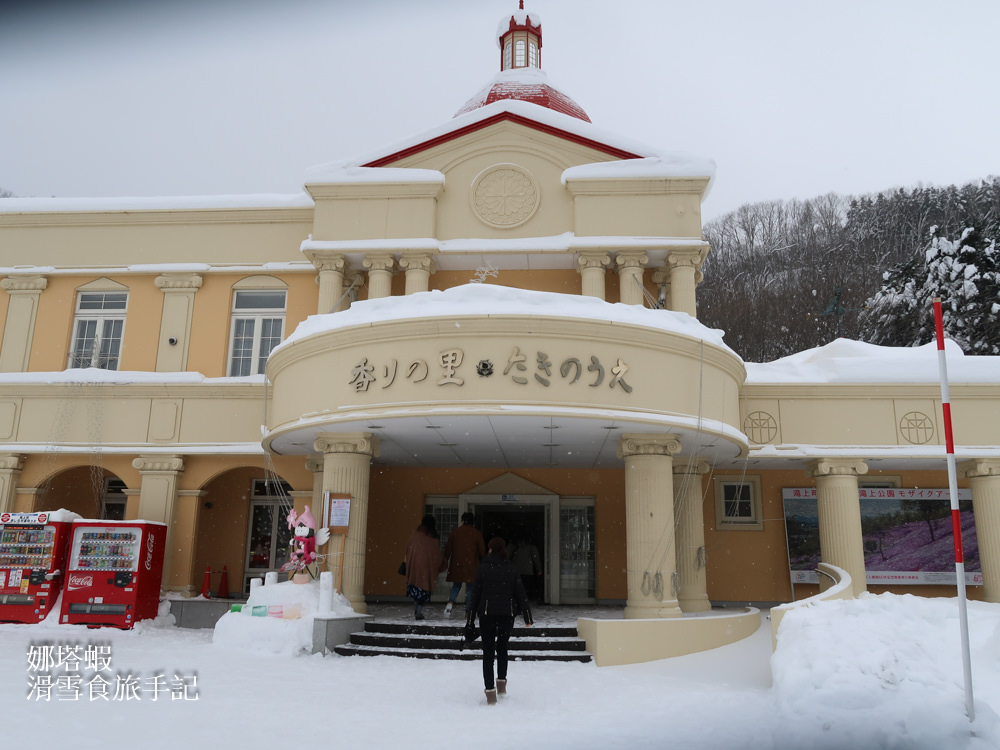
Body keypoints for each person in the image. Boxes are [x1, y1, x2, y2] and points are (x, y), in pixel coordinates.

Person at [467, 536, 532, 706]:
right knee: (502, 648)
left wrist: (470, 620)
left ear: (490, 550)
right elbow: (520, 594)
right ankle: (501, 685)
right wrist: (527, 616)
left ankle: (490, 694)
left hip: (487, 614)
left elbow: (475, 595)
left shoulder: (483, 569)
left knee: (488, 652)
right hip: (506, 614)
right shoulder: (511, 569)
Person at [442, 512, 485, 617]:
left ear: (462, 521)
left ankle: (450, 603)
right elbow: (482, 551)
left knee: (456, 585)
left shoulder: (455, 533)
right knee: (471, 588)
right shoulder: (476, 533)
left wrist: (444, 559)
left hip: (457, 564)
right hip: (471, 565)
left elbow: (448, 549)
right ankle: (468, 611)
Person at [404, 514, 444, 621]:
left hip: (414, 568)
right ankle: (419, 609)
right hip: (427, 570)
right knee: (423, 590)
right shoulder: (433, 539)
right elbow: (437, 555)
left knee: (415, 589)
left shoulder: (415, 536)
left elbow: (408, 551)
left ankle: (417, 607)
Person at [510, 532, 542, 601]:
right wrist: (539, 570)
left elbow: (506, 556)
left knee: (516, 588)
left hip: (515, 570)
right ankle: (524, 601)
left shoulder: (513, 545)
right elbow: (535, 559)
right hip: (527, 571)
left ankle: (517, 600)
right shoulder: (531, 546)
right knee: (525, 588)